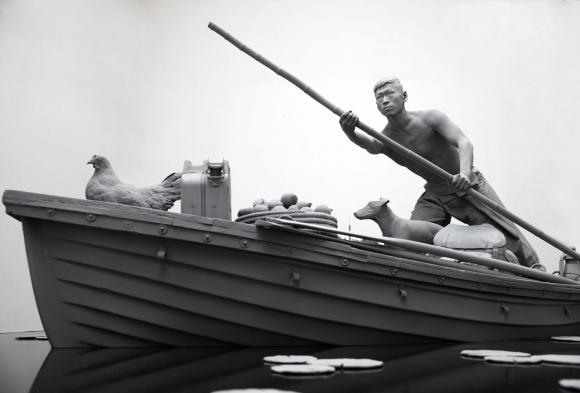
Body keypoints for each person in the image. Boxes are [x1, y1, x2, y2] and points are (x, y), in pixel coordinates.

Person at [339, 77, 540, 267]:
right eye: (378, 97)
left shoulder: (430, 118)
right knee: (408, 237)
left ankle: (536, 270)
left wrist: (464, 174)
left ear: (404, 96)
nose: (384, 100)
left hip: (465, 186)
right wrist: (349, 131)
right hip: (435, 193)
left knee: (506, 236)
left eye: (389, 93)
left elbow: (464, 143)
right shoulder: (386, 138)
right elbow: (371, 146)